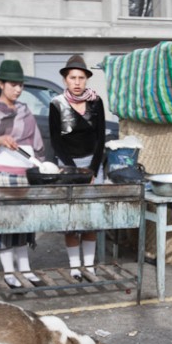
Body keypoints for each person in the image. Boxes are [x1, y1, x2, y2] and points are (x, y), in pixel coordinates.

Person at [0, 59, 57, 284]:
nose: (18, 89)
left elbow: (35, 142)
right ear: (1, 84)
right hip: (0, 176)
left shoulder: (24, 110)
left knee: (23, 224)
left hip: (23, 175)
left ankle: (26, 269)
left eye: (21, 85)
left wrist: (39, 164)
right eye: (13, 84)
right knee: (4, 224)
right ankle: (9, 272)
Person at [49, 55, 106, 280]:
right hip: (67, 166)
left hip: (92, 163)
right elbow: (55, 140)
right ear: (65, 79)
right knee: (71, 217)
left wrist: (91, 169)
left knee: (91, 216)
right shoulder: (57, 104)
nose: (77, 82)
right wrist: (73, 171)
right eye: (72, 77)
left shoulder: (96, 101)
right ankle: (74, 266)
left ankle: (89, 266)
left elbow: (101, 137)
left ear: (86, 80)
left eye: (81, 77)